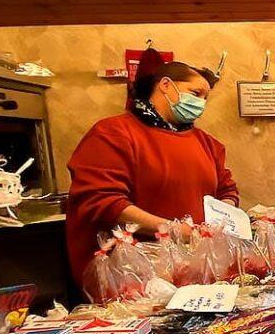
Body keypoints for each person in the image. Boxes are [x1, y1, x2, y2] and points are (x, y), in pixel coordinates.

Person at [66, 60, 238, 282]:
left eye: (205, 98)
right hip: (134, 275)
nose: (200, 103)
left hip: (196, 270)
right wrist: (172, 230)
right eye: (195, 93)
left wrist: (221, 221)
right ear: (165, 85)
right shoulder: (112, 134)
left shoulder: (207, 143)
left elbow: (227, 190)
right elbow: (102, 202)